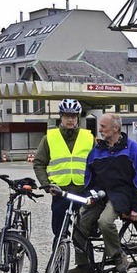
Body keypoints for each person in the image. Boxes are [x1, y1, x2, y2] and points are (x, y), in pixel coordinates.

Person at [71, 113, 137, 273]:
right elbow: (88, 177)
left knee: (105, 222)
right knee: (80, 224)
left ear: (116, 129)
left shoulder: (133, 149)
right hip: (99, 194)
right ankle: (83, 267)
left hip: (121, 194)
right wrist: (88, 196)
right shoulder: (96, 150)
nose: (100, 130)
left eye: (103, 126)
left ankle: (118, 255)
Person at [33, 99, 95, 239]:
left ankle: (85, 261)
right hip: (60, 192)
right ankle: (58, 259)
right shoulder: (49, 138)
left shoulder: (88, 137)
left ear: (78, 117)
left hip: (82, 192)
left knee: (84, 235)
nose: (70, 119)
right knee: (59, 234)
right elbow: (39, 163)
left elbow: (97, 165)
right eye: (67, 116)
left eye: (73, 116)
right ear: (61, 116)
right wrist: (46, 185)